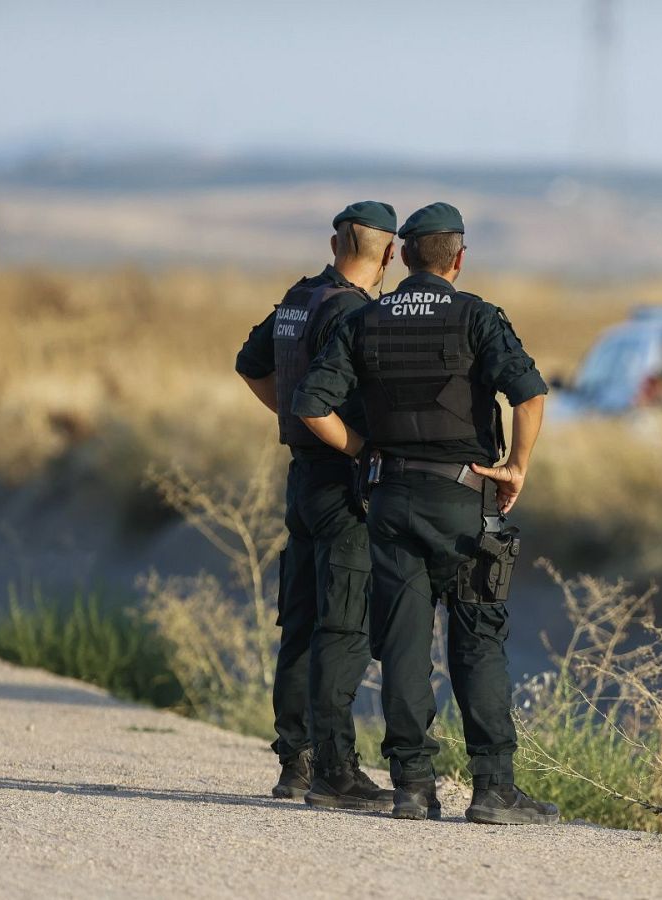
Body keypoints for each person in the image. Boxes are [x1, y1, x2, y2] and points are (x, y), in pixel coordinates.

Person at [292, 202, 559, 824]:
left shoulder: (366, 318)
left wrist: (364, 454)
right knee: (478, 643)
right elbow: (530, 393)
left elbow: (311, 404)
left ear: (403, 256)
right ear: (459, 259)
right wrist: (516, 466)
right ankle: (493, 789)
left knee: (405, 644)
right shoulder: (478, 317)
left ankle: (413, 785)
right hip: (466, 500)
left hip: (389, 501)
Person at [234, 201, 396, 811]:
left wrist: (295, 416)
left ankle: (294, 763)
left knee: (298, 621)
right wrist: (356, 446)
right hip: (341, 482)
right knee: (342, 624)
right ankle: (335, 768)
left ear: (336, 244)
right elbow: (314, 404)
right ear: (388, 254)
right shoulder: (356, 313)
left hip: (301, 478)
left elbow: (249, 366)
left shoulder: (300, 300)